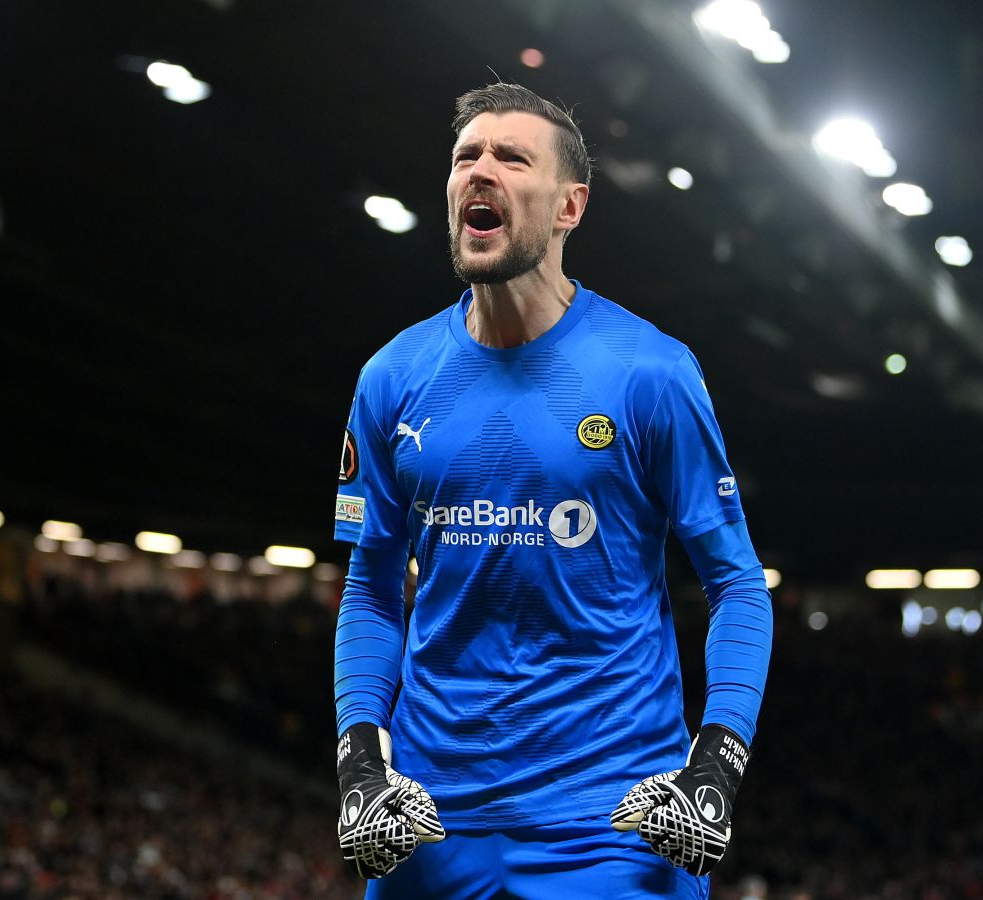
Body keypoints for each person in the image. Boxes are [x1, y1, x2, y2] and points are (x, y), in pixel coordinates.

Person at [332, 82, 773, 898]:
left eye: (511, 158)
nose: (480, 171)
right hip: (428, 827)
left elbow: (738, 584)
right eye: (466, 157)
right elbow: (371, 587)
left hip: (613, 831)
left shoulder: (650, 373)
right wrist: (361, 759)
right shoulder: (392, 377)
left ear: (571, 206)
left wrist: (714, 766)